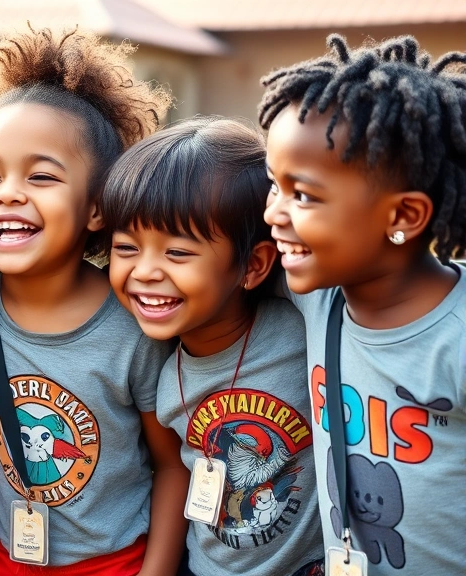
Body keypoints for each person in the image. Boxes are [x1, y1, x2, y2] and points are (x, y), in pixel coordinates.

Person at [0, 26, 186, 575]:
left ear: (95, 209)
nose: (9, 191)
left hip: (117, 563)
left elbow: (171, 464)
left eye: (41, 175)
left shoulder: (135, 327)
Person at [261, 34, 466, 574]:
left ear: (402, 217)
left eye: (302, 194)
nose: (273, 213)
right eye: (271, 183)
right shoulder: (318, 297)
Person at [102, 117, 324, 576]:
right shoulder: (163, 375)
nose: (144, 271)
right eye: (126, 248)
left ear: (255, 264)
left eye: (177, 253)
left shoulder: (302, 333)